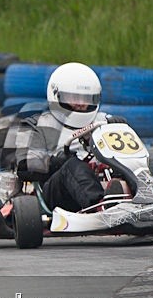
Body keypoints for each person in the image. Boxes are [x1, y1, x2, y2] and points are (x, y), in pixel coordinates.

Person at [14, 62, 126, 212]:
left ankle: (149, 197)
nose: (81, 104)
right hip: (57, 194)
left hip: (102, 181)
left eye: (86, 98)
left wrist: (121, 126)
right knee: (72, 165)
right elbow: (25, 165)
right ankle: (101, 207)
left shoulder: (103, 120)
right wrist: (58, 161)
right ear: (57, 95)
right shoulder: (36, 125)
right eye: (74, 97)